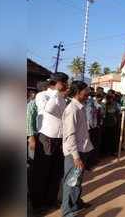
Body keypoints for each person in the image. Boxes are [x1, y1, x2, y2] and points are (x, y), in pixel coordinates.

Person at [31, 72, 69, 212]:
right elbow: (49, 109)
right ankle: (38, 204)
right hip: (46, 137)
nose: (66, 85)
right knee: (42, 171)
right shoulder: (43, 95)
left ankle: (50, 199)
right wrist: (56, 94)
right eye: (64, 82)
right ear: (56, 82)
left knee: (56, 171)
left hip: (59, 138)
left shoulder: (62, 98)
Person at [61, 81, 93, 216]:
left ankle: (76, 202)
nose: (88, 94)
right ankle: (67, 210)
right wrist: (76, 157)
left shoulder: (80, 107)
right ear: (78, 92)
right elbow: (70, 135)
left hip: (82, 149)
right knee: (71, 181)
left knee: (78, 180)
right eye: (86, 91)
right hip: (75, 153)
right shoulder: (72, 110)